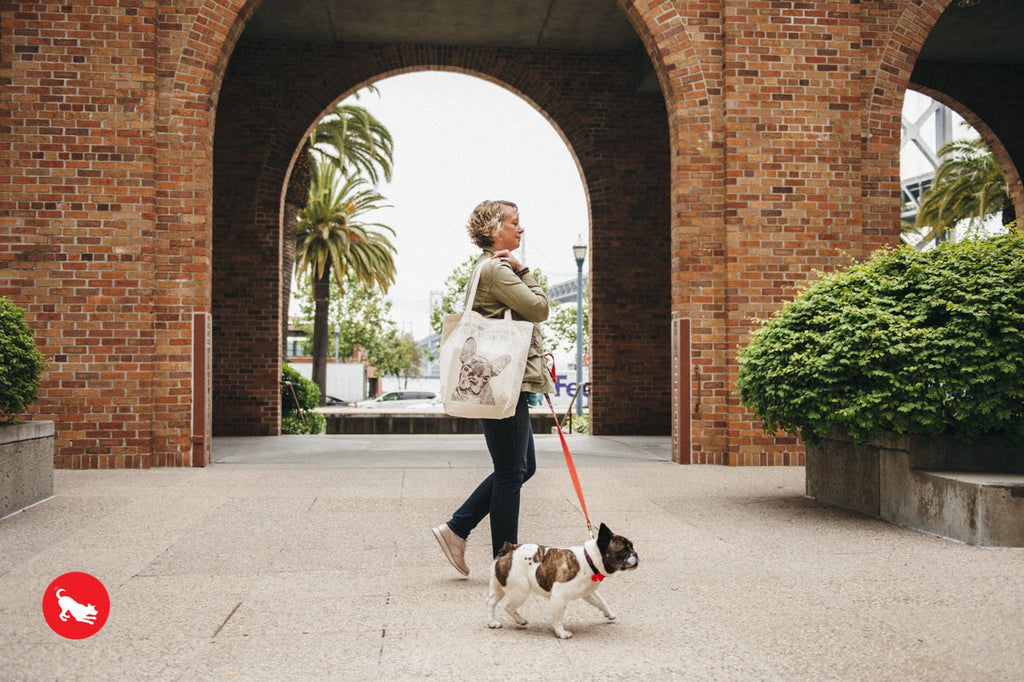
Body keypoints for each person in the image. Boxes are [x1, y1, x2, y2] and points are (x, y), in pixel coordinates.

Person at [432, 200, 554, 576]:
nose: (521, 229)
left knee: (522, 467)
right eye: (514, 223)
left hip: (502, 382)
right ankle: (506, 562)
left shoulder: (487, 267)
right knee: (510, 471)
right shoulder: (499, 269)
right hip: (502, 384)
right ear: (493, 229)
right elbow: (538, 308)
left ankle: (457, 528)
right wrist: (526, 271)